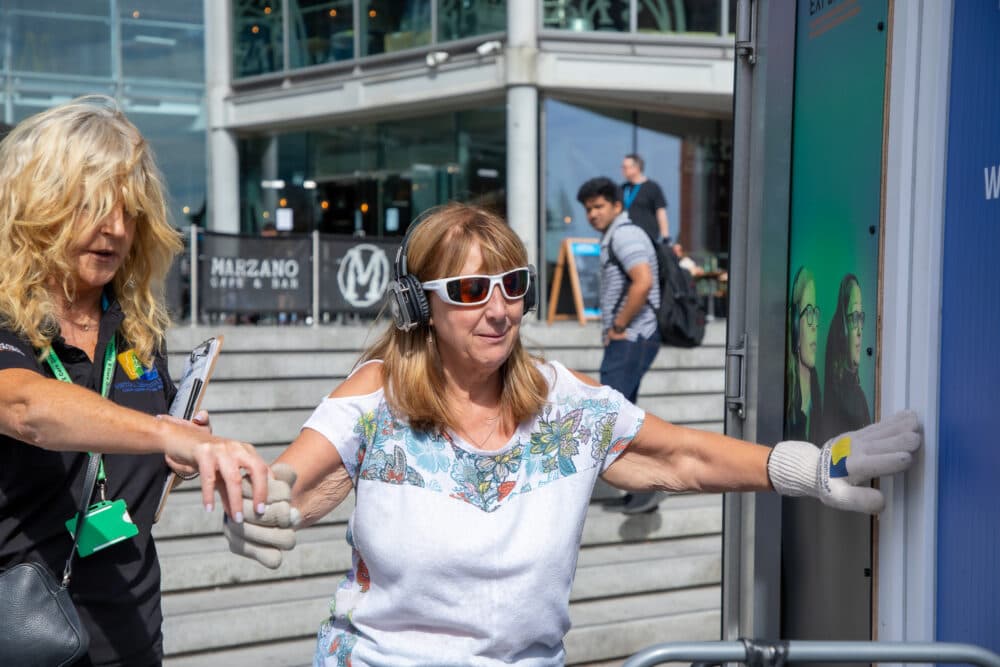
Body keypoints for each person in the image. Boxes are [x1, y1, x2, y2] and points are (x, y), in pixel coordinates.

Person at [223, 203, 921, 667]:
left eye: (514, 285)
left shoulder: (565, 402)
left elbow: (677, 451)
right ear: (420, 304)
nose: (497, 310)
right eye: (469, 291)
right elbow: (293, 479)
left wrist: (807, 465)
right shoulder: (375, 394)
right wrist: (256, 504)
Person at [0, 95, 272, 666]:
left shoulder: (137, 330)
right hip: (22, 638)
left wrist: (182, 449)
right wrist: (164, 435)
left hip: (131, 635)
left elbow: (136, 447)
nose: (116, 229)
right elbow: (23, 406)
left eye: (130, 212)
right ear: (37, 204)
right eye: (94, 207)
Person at [576, 177, 664, 514]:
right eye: (588, 209)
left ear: (616, 206)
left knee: (612, 417)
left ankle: (648, 487)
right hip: (634, 336)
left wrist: (618, 326)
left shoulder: (625, 234)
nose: (593, 214)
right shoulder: (617, 235)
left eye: (599, 206)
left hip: (631, 336)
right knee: (623, 416)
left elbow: (642, 282)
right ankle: (638, 492)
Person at [821, 274, 871, 440]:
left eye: (860, 318)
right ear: (842, 329)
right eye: (853, 318)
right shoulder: (840, 399)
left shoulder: (857, 395)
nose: (859, 331)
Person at [784, 266, 822, 442]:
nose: (815, 325)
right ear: (795, 326)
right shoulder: (786, 394)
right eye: (808, 313)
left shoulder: (817, 388)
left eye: (815, 312)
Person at [620, 153, 670, 244]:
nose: (623, 170)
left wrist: (665, 237)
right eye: (622, 167)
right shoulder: (623, 188)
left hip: (647, 238)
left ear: (636, 168)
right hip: (626, 237)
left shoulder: (652, 187)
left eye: (625, 167)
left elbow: (661, 212)